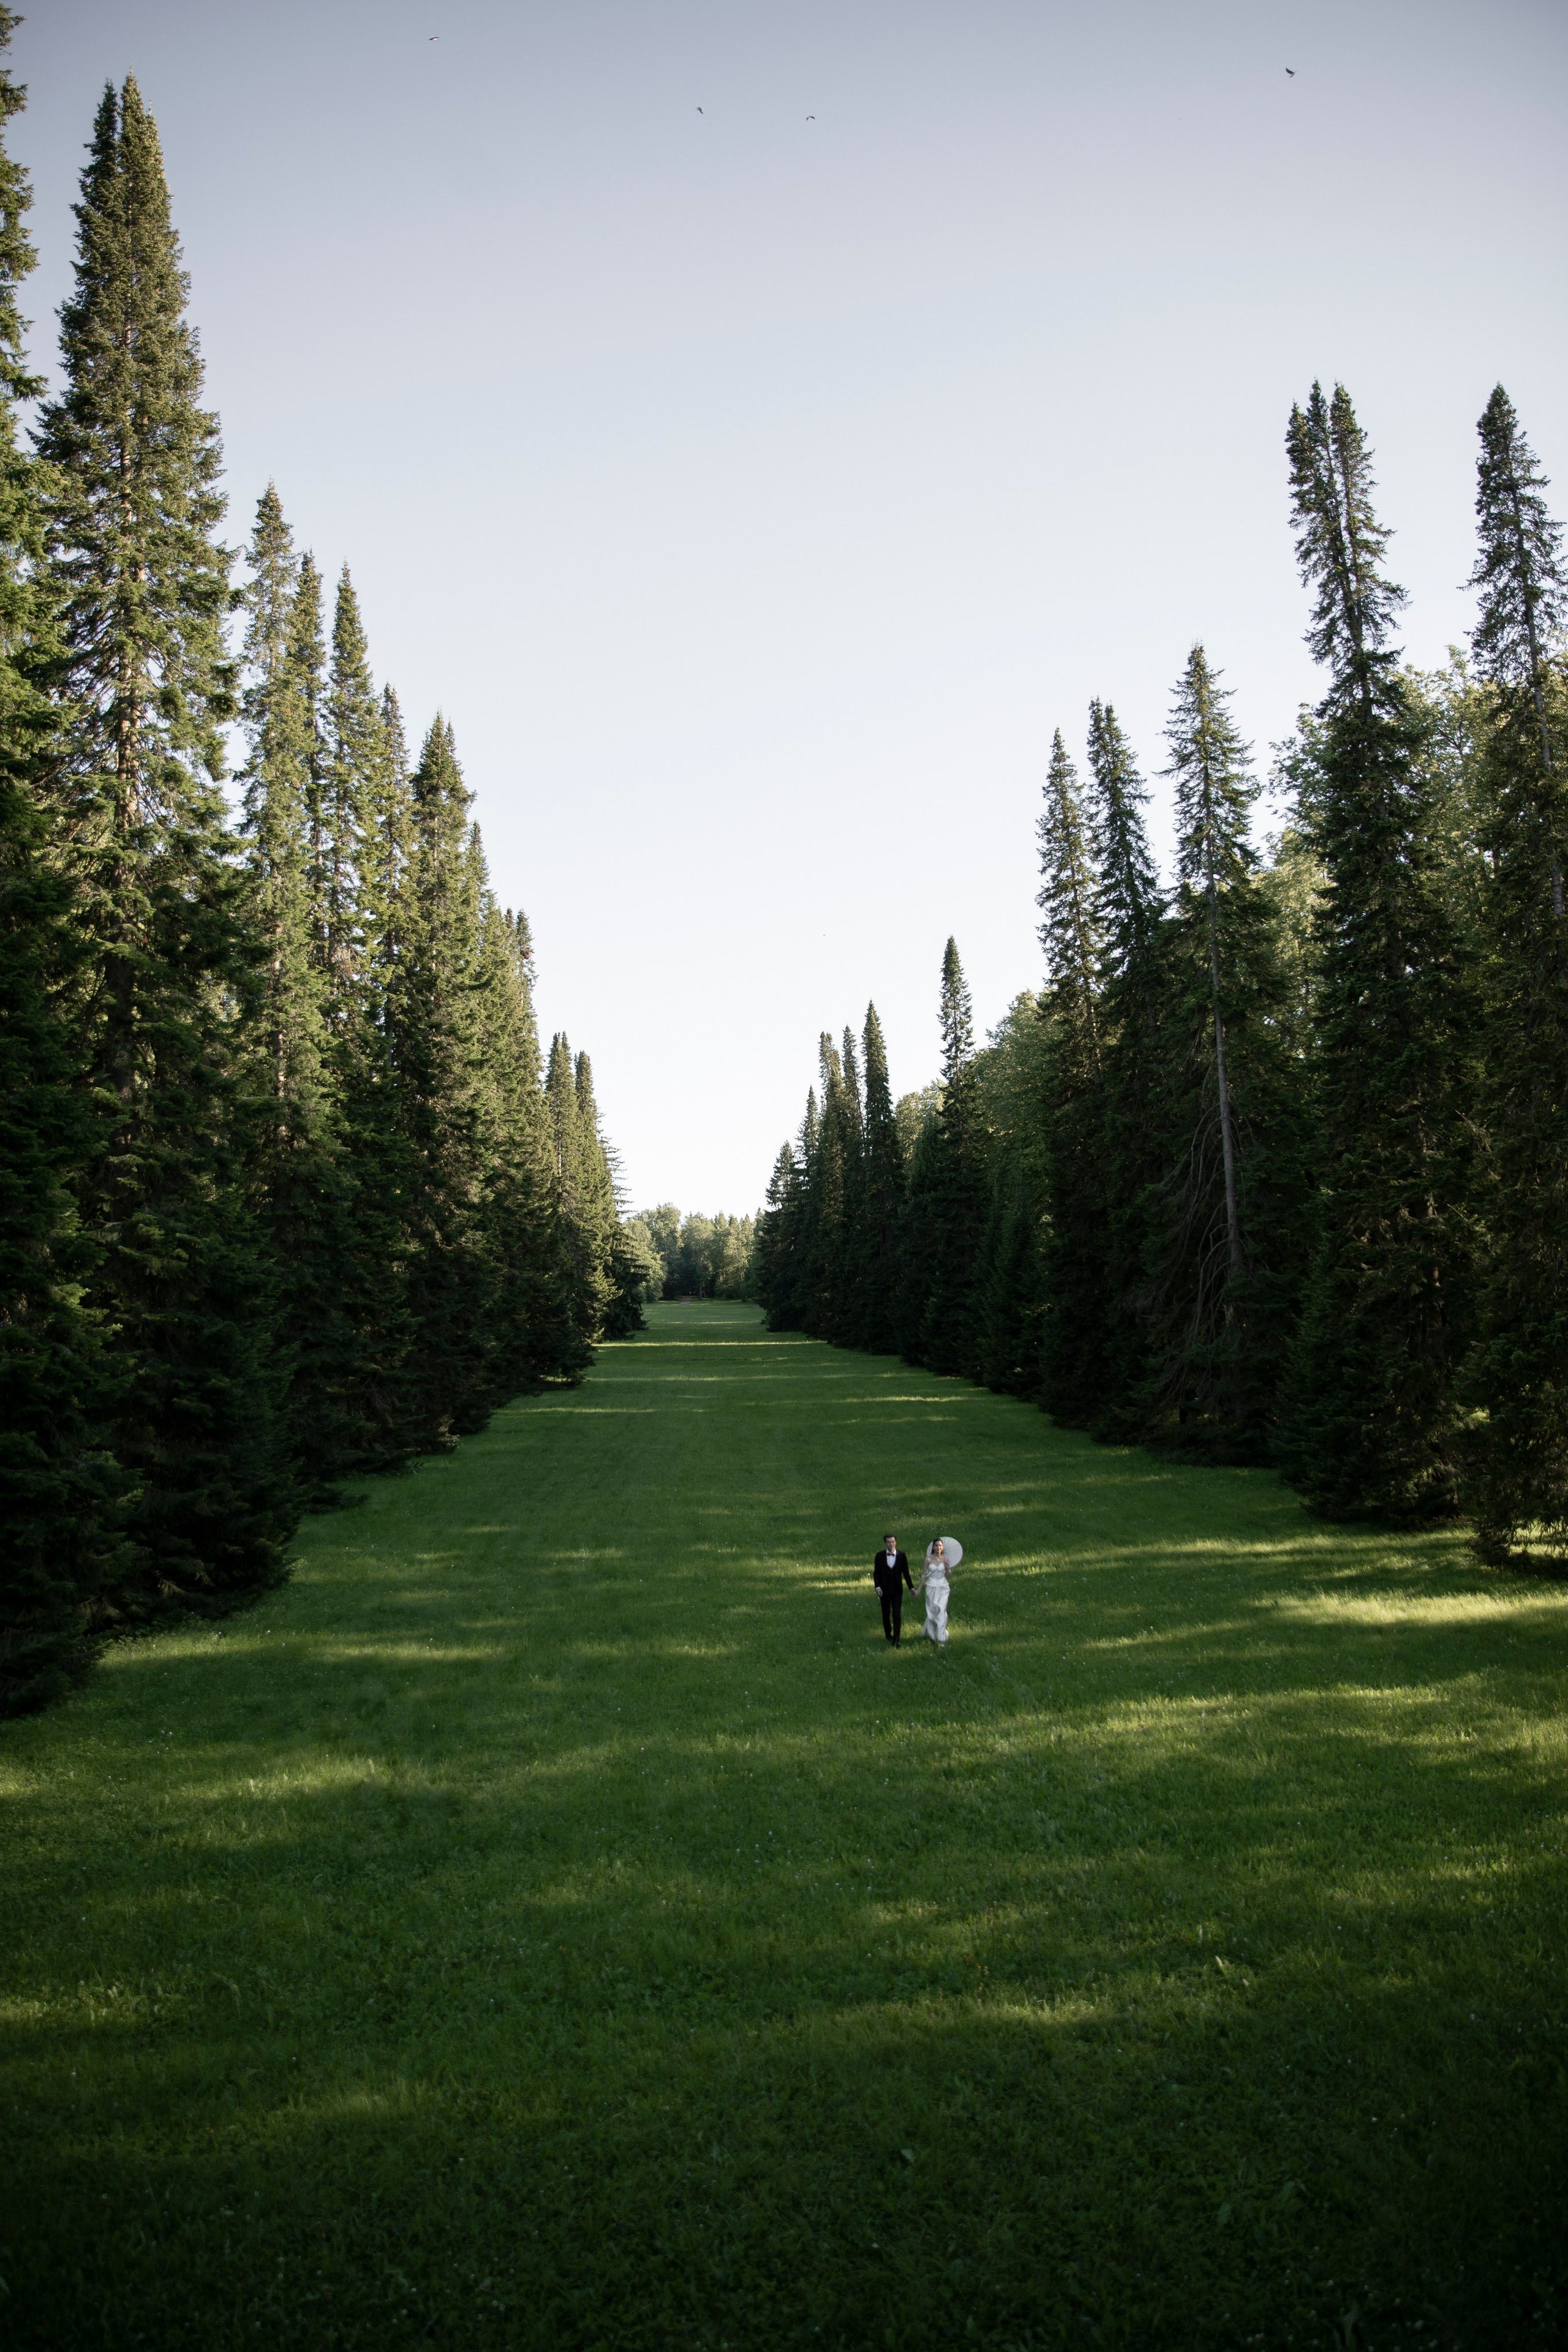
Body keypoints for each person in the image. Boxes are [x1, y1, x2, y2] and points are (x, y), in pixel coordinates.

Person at [872, 1531, 913, 1645]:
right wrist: (877, 1587)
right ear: (885, 1543)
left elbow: (906, 1573)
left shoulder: (902, 1555)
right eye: (889, 1542)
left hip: (897, 1590)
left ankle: (897, 1639)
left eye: (893, 1542)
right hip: (884, 1590)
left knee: (897, 1614)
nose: (891, 1544)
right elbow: (877, 1573)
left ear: (896, 1542)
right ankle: (888, 1633)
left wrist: (911, 1588)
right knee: (886, 1613)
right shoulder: (879, 1556)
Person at [919, 1537, 952, 1646]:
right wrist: (919, 1589)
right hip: (931, 1586)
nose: (938, 1547)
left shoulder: (945, 1560)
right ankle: (932, 1634)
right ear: (933, 1547)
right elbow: (924, 1575)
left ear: (943, 1548)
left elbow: (949, 1577)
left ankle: (941, 1638)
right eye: (937, 1545)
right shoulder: (928, 1560)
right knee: (932, 1611)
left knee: (941, 1610)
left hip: (943, 1587)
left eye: (940, 1546)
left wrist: (947, 1567)